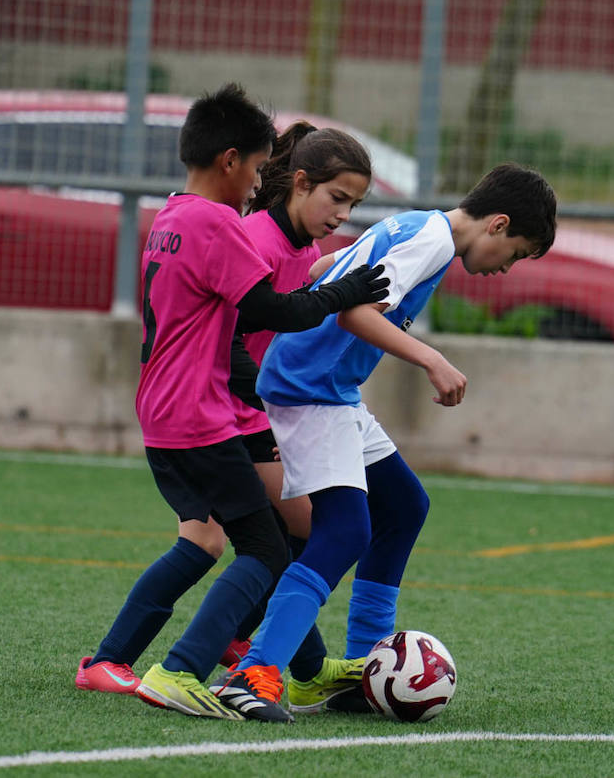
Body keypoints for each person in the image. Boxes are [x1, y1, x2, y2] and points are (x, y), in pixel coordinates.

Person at [75, 83, 388, 723]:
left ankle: (136, 658)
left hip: (171, 411)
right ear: (230, 160)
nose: (258, 180)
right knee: (276, 546)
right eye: (256, 166)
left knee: (225, 541)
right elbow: (269, 313)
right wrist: (342, 294)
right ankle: (194, 664)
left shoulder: (172, 216)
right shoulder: (223, 225)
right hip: (202, 415)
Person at [210, 163, 558, 722]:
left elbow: (331, 265)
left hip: (331, 388)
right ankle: (255, 673)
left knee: (403, 506)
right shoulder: (429, 240)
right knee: (346, 530)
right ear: (497, 224)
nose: (506, 269)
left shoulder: (420, 226)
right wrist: (431, 358)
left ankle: (363, 670)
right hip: (309, 388)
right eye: (515, 253)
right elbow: (354, 313)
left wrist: (313, 291)